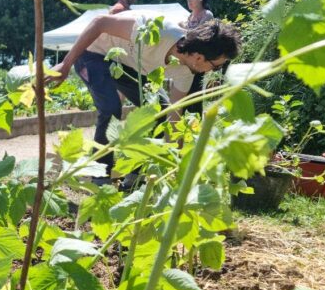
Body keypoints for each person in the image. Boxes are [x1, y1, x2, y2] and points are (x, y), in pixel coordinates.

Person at [49, 14, 240, 173]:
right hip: (93, 53)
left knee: (160, 112)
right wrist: (65, 65)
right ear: (199, 57)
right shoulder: (159, 32)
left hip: (126, 65)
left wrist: (177, 165)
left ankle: (136, 173)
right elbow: (100, 22)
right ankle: (100, 172)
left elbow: (174, 117)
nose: (214, 72)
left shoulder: (185, 72)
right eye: (216, 66)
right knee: (111, 107)